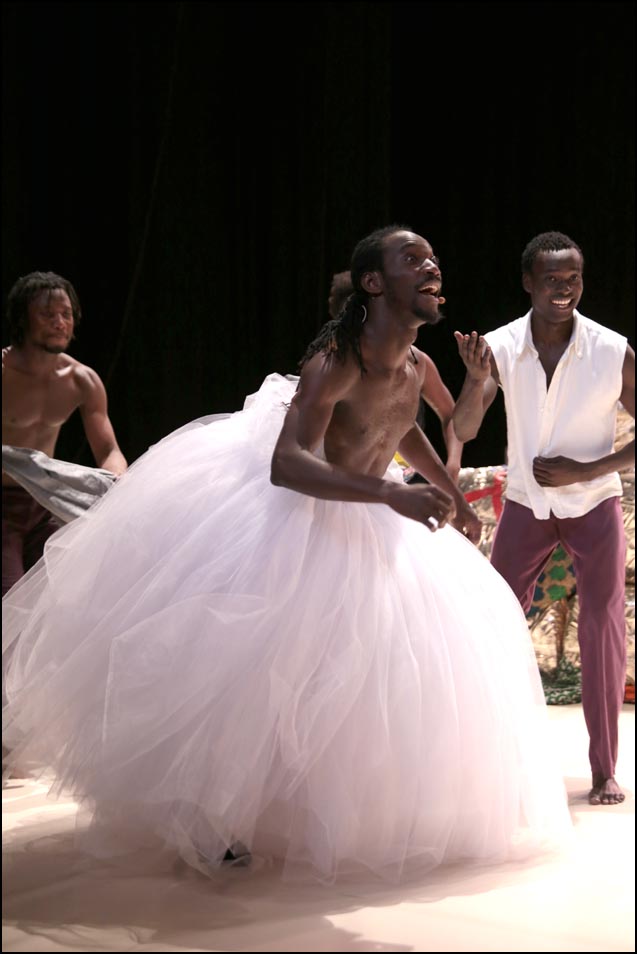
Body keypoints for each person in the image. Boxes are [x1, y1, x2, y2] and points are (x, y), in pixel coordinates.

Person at [2, 226, 571, 883]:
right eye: (412, 259)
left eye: (433, 258)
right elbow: (286, 464)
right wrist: (390, 493)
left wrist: (450, 491)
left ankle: (319, 815)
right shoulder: (336, 362)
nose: (431, 267)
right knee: (265, 676)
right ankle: (213, 818)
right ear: (373, 283)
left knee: (363, 675)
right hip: (301, 523)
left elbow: (402, 427)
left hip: (372, 526)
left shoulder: (416, 365)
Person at [452, 231, 635, 808]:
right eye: (552, 279)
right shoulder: (501, 346)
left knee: (602, 628)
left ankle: (604, 770)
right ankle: (488, 762)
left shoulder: (612, 350)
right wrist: (475, 380)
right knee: (495, 620)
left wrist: (589, 469)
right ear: (528, 282)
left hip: (594, 503)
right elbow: (463, 428)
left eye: (573, 278)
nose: (564, 289)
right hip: (527, 504)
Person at [2, 271, 127, 595]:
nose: (60, 323)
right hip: (4, 504)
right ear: (23, 319)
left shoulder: (81, 379)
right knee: (9, 600)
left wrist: (117, 482)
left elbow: (108, 450)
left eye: (66, 314)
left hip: (45, 503)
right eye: (47, 314)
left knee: (61, 598)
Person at [327, 267, 464, 483]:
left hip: (394, 476)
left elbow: (443, 417)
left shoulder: (417, 362)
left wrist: (453, 464)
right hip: (339, 481)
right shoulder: (336, 367)